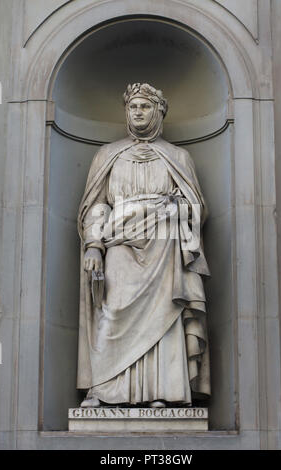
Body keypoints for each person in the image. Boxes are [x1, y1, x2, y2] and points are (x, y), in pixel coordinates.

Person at [77, 83, 210, 408]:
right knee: (112, 311)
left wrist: (169, 208)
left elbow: (197, 209)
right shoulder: (108, 155)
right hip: (119, 246)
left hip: (164, 248)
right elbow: (96, 206)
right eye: (133, 106)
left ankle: (160, 392)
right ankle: (105, 388)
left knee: (164, 316)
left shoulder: (178, 157)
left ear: (159, 111)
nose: (137, 112)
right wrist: (94, 244)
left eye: (145, 106)